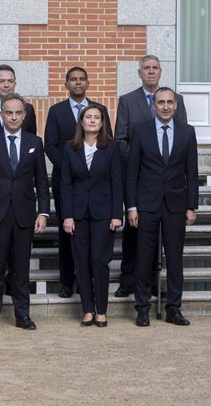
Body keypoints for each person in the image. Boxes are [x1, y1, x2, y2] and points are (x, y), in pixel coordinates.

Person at [0, 93, 49, 331]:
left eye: (18, 113)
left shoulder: (34, 143)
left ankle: (22, 315)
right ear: (1, 114)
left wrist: (43, 212)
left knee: (21, 270)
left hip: (24, 215)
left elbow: (42, 182)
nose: (13, 117)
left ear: (24, 116)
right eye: (9, 112)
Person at [114, 55, 188, 298]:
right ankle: (127, 280)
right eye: (146, 68)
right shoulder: (127, 101)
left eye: (155, 68)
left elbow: (181, 139)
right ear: (139, 73)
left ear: (161, 71)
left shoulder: (176, 101)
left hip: (167, 183)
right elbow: (120, 140)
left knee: (159, 238)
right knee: (134, 233)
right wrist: (140, 160)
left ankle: (154, 283)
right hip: (138, 178)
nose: (151, 72)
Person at [127, 87, 198, 327]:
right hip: (146, 203)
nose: (165, 106)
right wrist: (132, 207)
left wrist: (192, 206)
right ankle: (142, 308)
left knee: (175, 258)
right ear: (153, 105)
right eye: (161, 102)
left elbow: (192, 171)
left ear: (176, 105)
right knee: (144, 257)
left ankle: (174, 308)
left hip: (176, 204)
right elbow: (132, 172)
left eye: (170, 102)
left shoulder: (188, 133)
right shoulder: (141, 132)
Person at [44, 67, 112, 298]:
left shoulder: (100, 110)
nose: (78, 83)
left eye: (82, 79)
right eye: (73, 79)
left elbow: (108, 142)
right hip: (68, 182)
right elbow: (50, 145)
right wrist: (70, 165)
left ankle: (91, 283)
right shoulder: (56, 111)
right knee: (68, 233)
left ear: (88, 83)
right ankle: (66, 281)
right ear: (66, 84)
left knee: (93, 242)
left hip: (97, 186)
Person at [61, 105, 123, 327]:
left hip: (104, 213)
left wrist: (118, 214)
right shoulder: (70, 148)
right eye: (89, 117)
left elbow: (117, 181)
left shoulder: (111, 147)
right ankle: (88, 309)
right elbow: (65, 184)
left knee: (99, 260)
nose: (93, 120)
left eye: (97, 117)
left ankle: (102, 311)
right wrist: (67, 216)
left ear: (102, 122)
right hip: (77, 214)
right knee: (82, 261)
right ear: (81, 121)